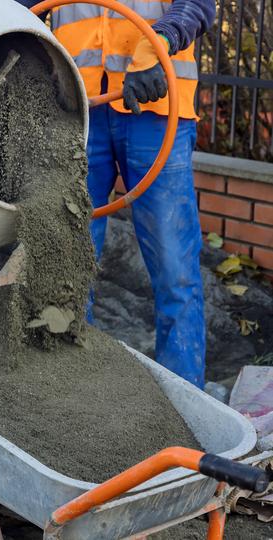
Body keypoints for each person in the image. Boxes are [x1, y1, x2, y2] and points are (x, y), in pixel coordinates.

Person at [48, 0, 216, 388]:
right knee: (65, 262)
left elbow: (198, 5)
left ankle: (185, 400)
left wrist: (161, 40)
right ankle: (65, 389)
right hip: (79, 110)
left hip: (156, 108)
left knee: (174, 266)